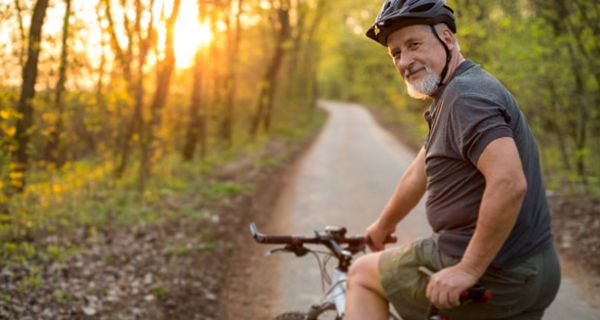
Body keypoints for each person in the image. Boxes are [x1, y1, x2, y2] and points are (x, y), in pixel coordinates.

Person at [344, 0, 561, 319]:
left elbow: (509, 183)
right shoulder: (458, 93)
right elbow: (418, 173)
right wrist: (382, 226)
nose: (405, 60)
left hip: (496, 273)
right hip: (534, 269)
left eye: (414, 44)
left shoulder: (465, 98)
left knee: (363, 274)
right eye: (396, 53)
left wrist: (468, 269)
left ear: (447, 38)